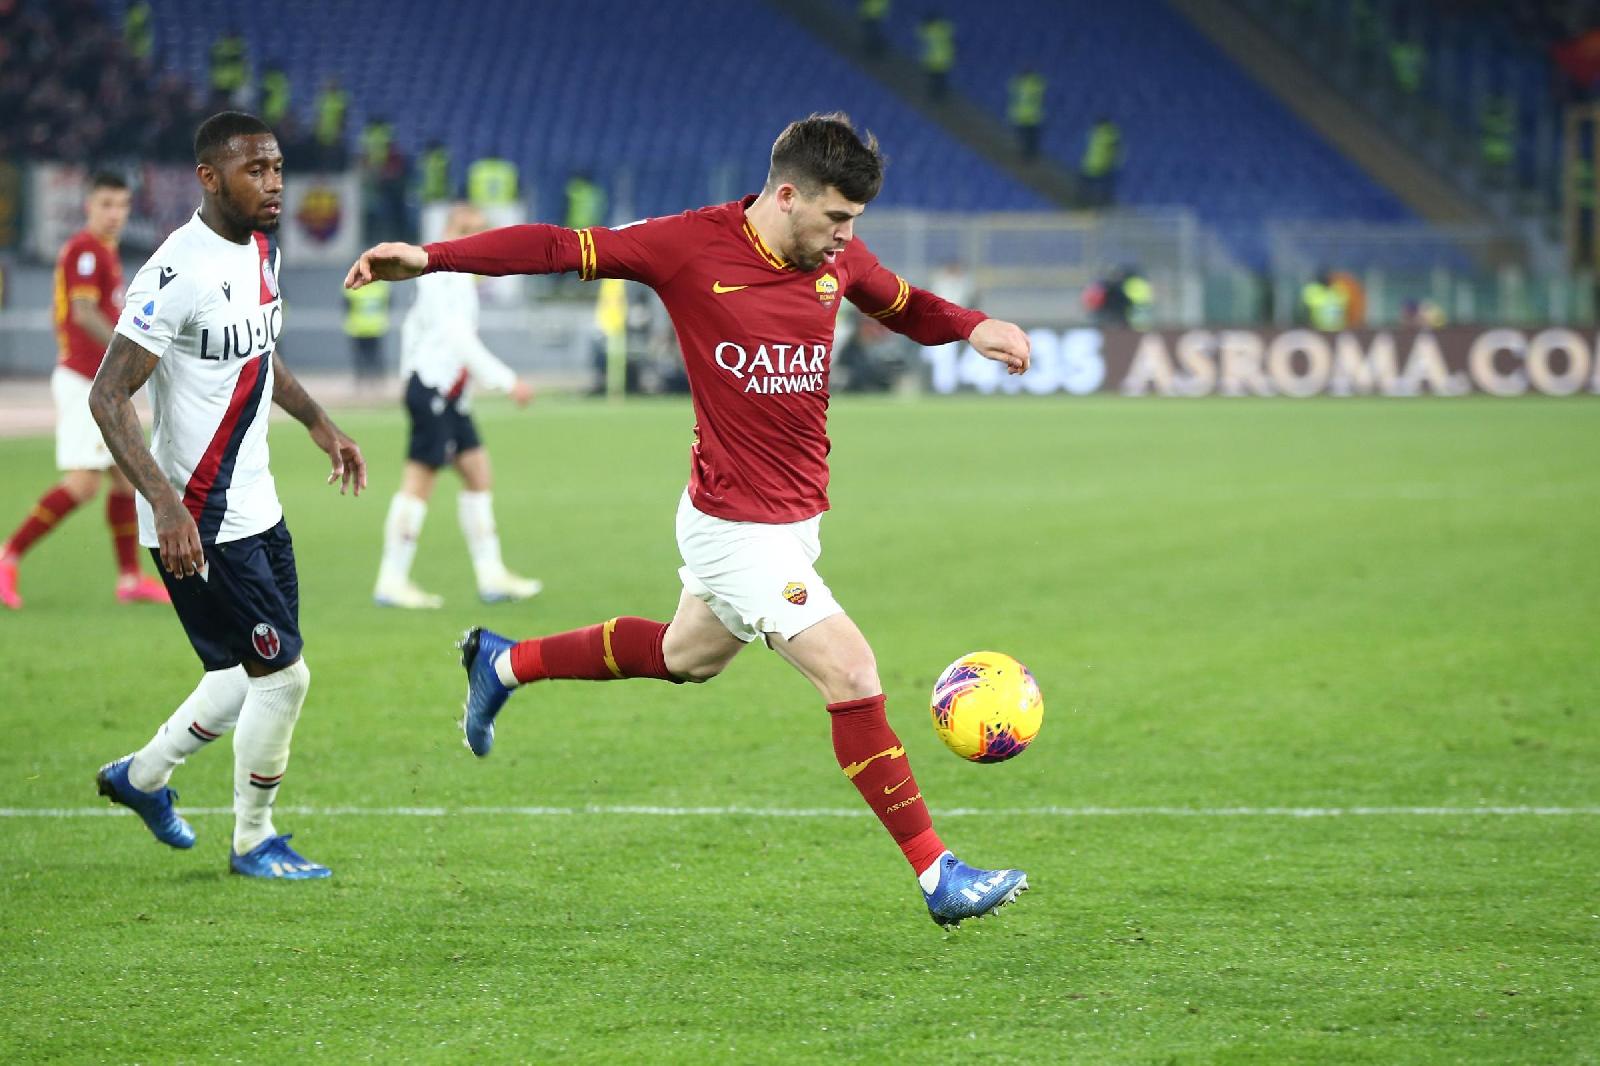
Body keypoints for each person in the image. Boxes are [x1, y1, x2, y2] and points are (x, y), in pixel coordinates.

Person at [346, 112, 1033, 927]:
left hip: (791, 518)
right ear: (787, 195)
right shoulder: (688, 246)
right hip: (734, 526)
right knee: (851, 672)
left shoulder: (836, 260)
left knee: (686, 656)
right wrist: (431, 259)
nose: (846, 238)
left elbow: (905, 305)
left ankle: (502, 664)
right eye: (837, 219)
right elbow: (559, 247)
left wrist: (972, 326)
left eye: (855, 223)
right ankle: (937, 874)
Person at [89, 111, 367, 880]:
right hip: (200, 516)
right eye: (256, 170)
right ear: (209, 178)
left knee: (246, 673)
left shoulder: (263, 252)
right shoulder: (176, 272)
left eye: (278, 167)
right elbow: (108, 397)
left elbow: (258, 354)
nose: (274, 183)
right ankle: (254, 840)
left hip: (259, 506)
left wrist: (319, 422)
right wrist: (168, 505)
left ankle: (140, 779)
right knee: (284, 677)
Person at [0, 172, 169, 610]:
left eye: (121, 205)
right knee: (83, 484)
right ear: (89, 206)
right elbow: (82, 312)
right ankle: (7, 556)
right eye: (106, 204)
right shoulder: (86, 250)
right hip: (84, 381)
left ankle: (130, 578)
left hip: (102, 383)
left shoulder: (104, 251)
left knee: (122, 479)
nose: (114, 214)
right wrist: (129, 350)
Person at [374, 203, 542, 609]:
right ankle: (392, 579)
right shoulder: (440, 274)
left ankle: (491, 575)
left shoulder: (457, 276)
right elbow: (458, 340)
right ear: (455, 228)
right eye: (476, 231)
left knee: (478, 473)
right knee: (419, 483)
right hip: (431, 389)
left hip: (449, 395)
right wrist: (507, 381)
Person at [1079, 116, 1123, 207]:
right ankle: (1103, 203)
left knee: (1085, 188)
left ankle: (1084, 204)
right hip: (1101, 165)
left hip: (1093, 165)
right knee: (1104, 188)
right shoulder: (1110, 133)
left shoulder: (1102, 133)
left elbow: (1115, 147)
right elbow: (1117, 149)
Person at [1008, 68, 1046, 161]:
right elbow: (1042, 84)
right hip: (1032, 116)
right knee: (1031, 139)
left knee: (1023, 138)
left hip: (1019, 116)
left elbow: (1011, 86)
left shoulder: (1018, 84)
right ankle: (1030, 156)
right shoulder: (1035, 83)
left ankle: (1024, 155)